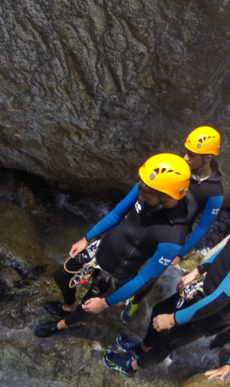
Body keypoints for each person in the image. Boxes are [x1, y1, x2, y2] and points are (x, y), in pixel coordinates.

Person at [34, 153, 195, 338]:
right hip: (102, 247)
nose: (140, 195)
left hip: (116, 272)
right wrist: (87, 238)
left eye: (147, 195)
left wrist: (105, 303)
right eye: (141, 189)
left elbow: (143, 279)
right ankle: (67, 306)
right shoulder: (147, 188)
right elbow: (118, 213)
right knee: (61, 276)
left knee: (87, 307)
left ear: (166, 197)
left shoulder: (173, 237)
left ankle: (61, 325)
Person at [120, 126, 223, 323]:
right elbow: (151, 188)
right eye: (186, 152)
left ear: (208, 158)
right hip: (152, 221)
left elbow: (202, 226)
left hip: (174, 235)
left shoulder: (214, 193)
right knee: (132, 256)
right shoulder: (180, 169)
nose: (185, 158)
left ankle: (134, 301)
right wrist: (134, 213)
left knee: (152, 274)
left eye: (191, 155)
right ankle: (120, 285)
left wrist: (180, 253)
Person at [103, 238, 230, 377]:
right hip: (205, 288)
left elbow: (217, 301)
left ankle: (130, 367)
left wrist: (173, 319)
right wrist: (197, 271)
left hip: (215, 313)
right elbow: (225, 251)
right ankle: (141, 349)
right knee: (160, 310)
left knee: (167, 342)